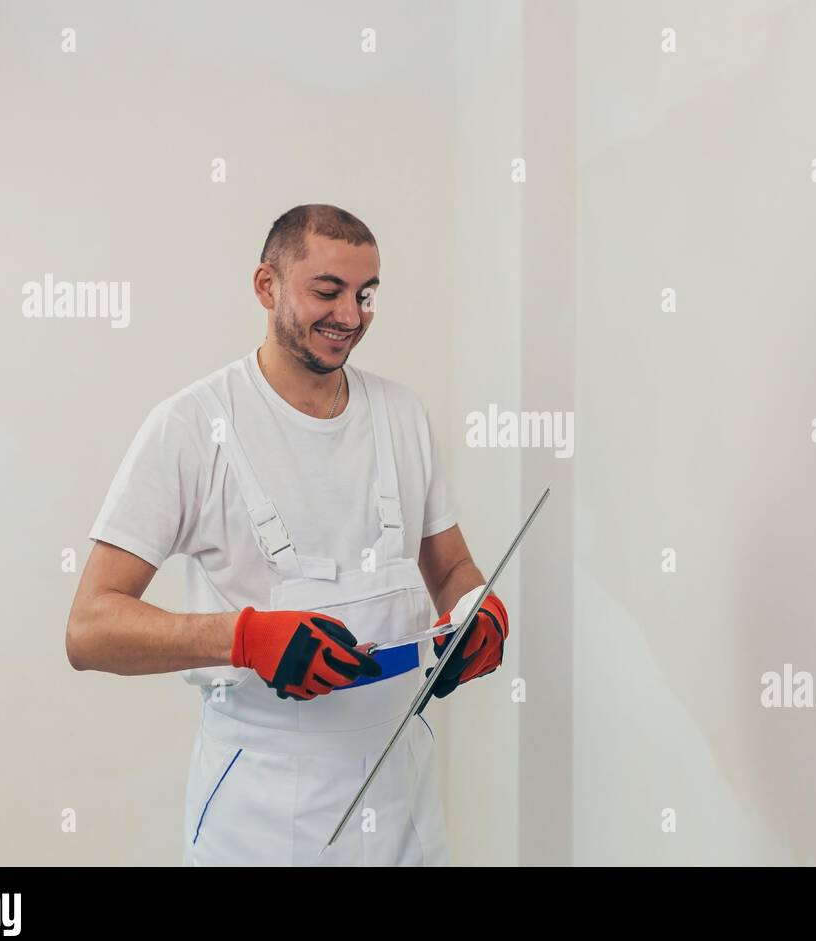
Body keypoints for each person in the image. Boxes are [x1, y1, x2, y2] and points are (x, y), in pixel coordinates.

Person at [65, 204, 509, 866]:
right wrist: (242, 638)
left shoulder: (402, 415)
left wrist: (480, 609)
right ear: (266, 286)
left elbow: (450, 568)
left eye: (365, 295)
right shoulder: (192, 426)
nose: (351, 316)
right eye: (326, 291)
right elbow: (89, 630)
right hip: (264, 806)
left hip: (401, 790)